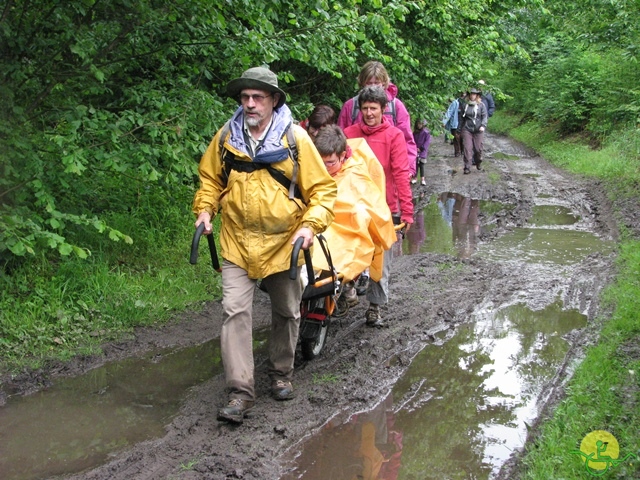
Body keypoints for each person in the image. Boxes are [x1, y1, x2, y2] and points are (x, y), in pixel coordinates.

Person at [193, 66, 337, 424]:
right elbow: (210, 180)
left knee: (287, 312)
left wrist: (308, 226)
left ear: (274, 100)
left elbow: (322, 192)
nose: (250, 104)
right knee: (234, 312)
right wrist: (205, 210)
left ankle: (280, 371)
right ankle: (240, 391)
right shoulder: (227, 137)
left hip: (283, 244)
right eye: (245, 97)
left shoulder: (297, 140)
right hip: (237, 242)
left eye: (258, 97)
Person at [343, 85, 414, 327]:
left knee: (380, 260)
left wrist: (407, 212)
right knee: (346, 250)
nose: (369, 113)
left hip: (385, 208)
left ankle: (374, 307)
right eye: (365, 108)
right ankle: (347, 289)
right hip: (352, 205)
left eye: (373, 108)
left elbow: (401, 173)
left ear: (384, 109)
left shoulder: (394, 135)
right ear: (359, 109)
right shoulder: (349, 133)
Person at [312, 125, 397, 308]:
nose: (325, 169)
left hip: (347, 231)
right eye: (320, 163)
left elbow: (370, 208)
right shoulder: (313, 168)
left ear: (342, 156)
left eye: (330, 163)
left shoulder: (355, 174)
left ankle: (352, 287)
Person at [337, 61, 417, 178]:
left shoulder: (396, 106)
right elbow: (340, 140)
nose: (373, 87)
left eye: (377, 83)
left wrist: (409, 169)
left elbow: (407, 140)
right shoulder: (351, 106)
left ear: (384, 83)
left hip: (388, 174)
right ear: (362, 83)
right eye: (369, 83)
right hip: (357, 173)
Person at [457, 87, 488, 174]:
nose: (472, 96)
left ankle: (478, 161)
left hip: (478, 130)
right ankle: (467, 167)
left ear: (477, 95)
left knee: (478, 149)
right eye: (471, 94)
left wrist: (483, 125)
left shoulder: (481, 105)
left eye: (474, 94)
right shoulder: (465, 105)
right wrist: (459, 129)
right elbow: (461, 118)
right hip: (467, 129)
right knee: (467, 148)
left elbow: (484, 117)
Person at [442, 93, 463, 157]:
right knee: (456, 138)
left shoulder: (467, 103)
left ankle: (463, 150)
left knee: (462, 138)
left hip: (463, 123)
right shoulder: (455, 103)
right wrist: (444, 122)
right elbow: (449, 112)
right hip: (455, 124)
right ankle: (457, 151)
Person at [412, 119, 431, 186]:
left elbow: (427, 142)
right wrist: (414, 148)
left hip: (422, 151)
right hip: (415, 150)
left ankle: (422, 179)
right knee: (415, 165)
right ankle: (415, 177)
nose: (419, 125)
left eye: (420, 124)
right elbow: (412, 141)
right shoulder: (415, 133)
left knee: (421, 164)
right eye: (418, 124)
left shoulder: (426, 133)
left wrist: (421, 148)